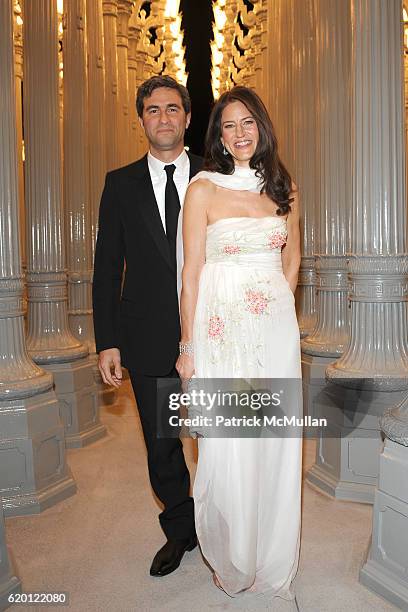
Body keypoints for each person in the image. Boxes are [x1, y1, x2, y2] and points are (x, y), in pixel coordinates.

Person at [177, 86, 302, 597]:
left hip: (272, 330)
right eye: (229, 126)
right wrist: (188, 345)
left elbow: (292, 260)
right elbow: (191, 274)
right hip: (220, 328)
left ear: (262, 126)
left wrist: (277, 311)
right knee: (229, 442)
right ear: (219, 136)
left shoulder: (285, 188)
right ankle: (233, 551)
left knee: (271, 440)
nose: (240, 133)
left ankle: (268, 549)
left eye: (248, 122)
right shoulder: (203, 189)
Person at [92, 76, 202, 577]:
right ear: (141, 120)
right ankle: (181, 531)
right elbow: (107, 265)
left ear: (187, 117)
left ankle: (224, 526)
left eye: (172, 108)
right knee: (163, 445)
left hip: (212, 334)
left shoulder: (213, 175)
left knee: (222, 438)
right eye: (153, 110)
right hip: (149, 335)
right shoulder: (119, 183)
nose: (163, 118)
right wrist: (107, 341)